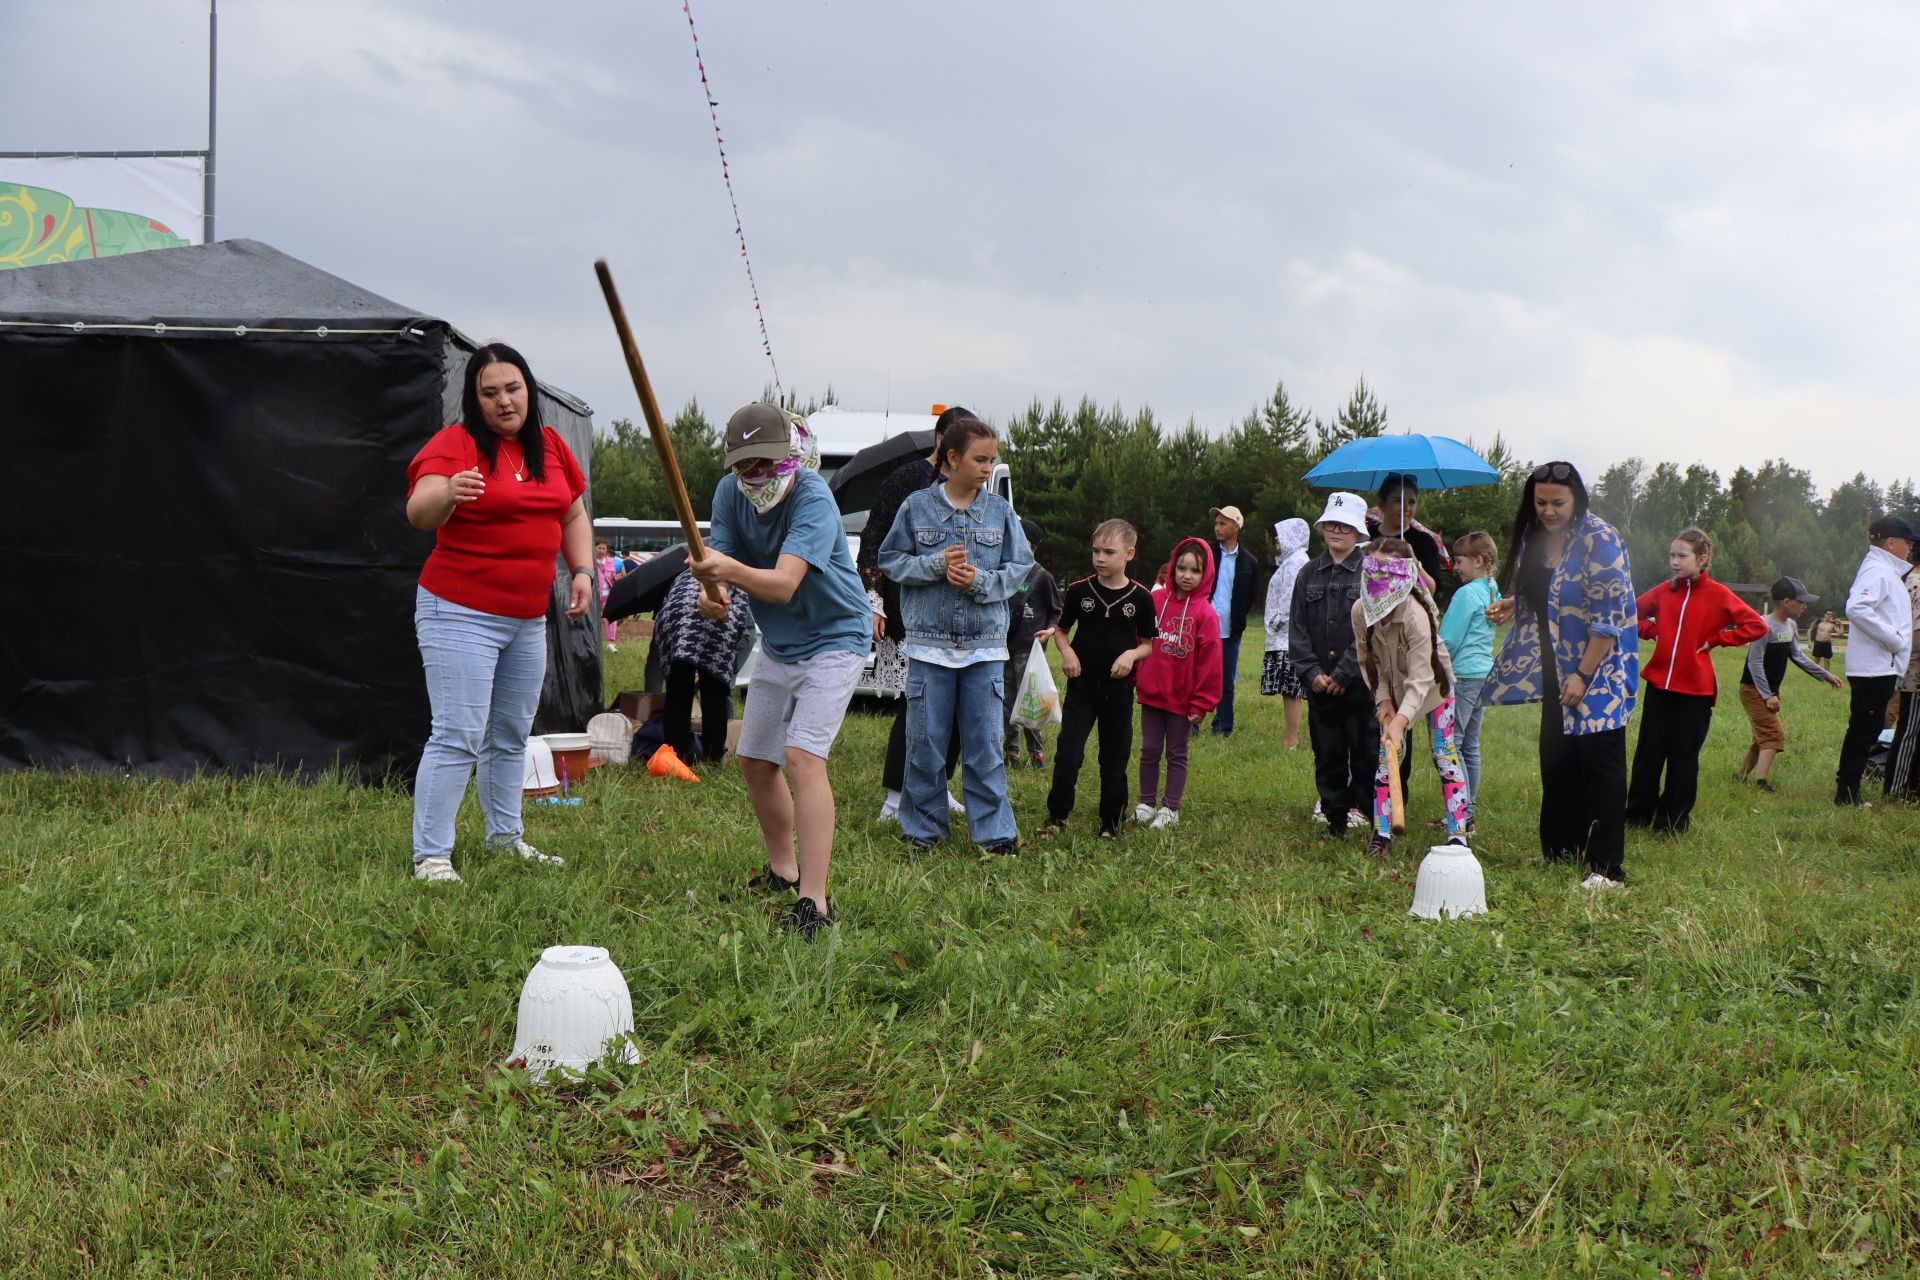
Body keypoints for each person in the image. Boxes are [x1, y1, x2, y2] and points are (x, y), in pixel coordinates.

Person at [403, 342, 590, 884]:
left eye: (513, 389)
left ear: (528, 390)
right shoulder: (455, 444)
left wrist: (580, 570)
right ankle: (432, 856)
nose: (504, 402)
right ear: (474, 398)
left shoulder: (551, 446)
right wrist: (450, 495)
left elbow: (573, 511)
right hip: (457, 611)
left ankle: (506, 840)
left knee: (510, 733)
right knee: (457, 732)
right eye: (490, 393)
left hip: (527, 618)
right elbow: (418, 511)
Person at [689, 403, 872, 939]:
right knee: (753, 759)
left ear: (789, 455)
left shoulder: (814, 496)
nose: (754, 477)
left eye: (765, 463)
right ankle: (782, 871)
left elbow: (785, 583)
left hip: (837, 636)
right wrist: (711, 596)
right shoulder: (729, 495)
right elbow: (717, 575)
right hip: (782, 641)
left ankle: (814, 901)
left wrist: (728, 573)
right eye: (743, 466)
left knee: (802, 756)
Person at [878, 419, 1033, 854]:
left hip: (985, 649)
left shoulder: (1001, 513)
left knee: (985, 747)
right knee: (925, 747)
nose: (988, 467)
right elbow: (890, 560)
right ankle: (923, 832)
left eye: (992, 460)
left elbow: (1020, 571)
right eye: (980, 459)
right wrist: (934, 566)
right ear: (952, 458)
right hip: (929, 649)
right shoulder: (915, 507)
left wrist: (980, 582)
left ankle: (996, 835)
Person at [1486, 461, 1637, 889]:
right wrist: (1515, 604)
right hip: (1556, 666)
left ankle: (1608, 868)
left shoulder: (1600, 539)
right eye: (1539, 502)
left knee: (1600, 764)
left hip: (1600, 668)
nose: (1548, 511)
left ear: (1577, 499)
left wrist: (1583, 676)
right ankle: (1560, 849)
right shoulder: (1537, 536)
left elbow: (1610, 619)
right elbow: (1545, 591)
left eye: (1557, 503)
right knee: (1556, 759)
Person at [860, 408, 969, 823]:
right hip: (909, 609)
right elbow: (875, 542)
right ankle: (895, 795)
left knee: (957, 705)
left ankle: (938, 785)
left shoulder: (969, 490)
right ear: (941, 440)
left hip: (957, 613)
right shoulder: (908, 480)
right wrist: (874, 599)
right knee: (917, 703)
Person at [1624, 528, 1766, 835]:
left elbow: (1757, 625)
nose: (1674, 562)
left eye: (1682, 556)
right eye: (1672, 555)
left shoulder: (1718, 595)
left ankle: (1671, 824)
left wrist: (1718, 638)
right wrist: (1653, 631)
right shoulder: (1664, 591)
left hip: (1696, 692)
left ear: (1702, 559)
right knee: (1648, 754)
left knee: (1683, 759)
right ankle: (1637, 816)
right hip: (1659, 686)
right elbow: (1629, 612)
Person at [1352, 537, 1471, 854]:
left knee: (1443, 754)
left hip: (1433, 691)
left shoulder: (1418, 616)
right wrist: (1384, 702)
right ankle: (1382, 833)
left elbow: (1421, 679)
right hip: (1391, 692)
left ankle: (1458, 833)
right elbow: (1369, 663)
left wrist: (1402, 720)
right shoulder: (1360, 612)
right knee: (1385, 759)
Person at [1040, 520, 1157, 838]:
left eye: (1109, 552)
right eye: (1095, 551)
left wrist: (1131, 655)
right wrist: (1066, 652)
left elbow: (1147, 644)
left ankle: (1111, 822)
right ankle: (1057, 817)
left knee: (1115, 756)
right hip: (1082, 685)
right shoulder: (1079, 591)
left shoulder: (1142, 598)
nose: (1100, 558)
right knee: (1069, 752)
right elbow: (1062, 631)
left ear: (1129, 554)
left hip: (1119, 689)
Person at [1290, 492, 1375, 837]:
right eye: (1331, 524)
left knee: (1365, 754)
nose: (1337, 531)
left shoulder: (1371, 572)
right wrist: (1312, 674)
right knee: (1328, 754)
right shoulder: (1307, 573)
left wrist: (1344, 672)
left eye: (1345, 525)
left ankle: (1370, 816)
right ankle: (1334, 818)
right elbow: (1297, 630)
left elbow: (1373, 630)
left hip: (1359, 686)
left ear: (1358, 533)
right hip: (1320, 687)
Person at [1136, 538, 1225, 830]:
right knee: (1149, 750)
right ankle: (1146, 803)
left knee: (1176, 752)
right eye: (1182, 568)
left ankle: (1170, 808)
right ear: (1172, 568)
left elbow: (1211, 664)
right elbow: (1140, 639)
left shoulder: (1205, 614)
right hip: (1151, 693)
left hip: (1182, 699)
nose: (1187, 575)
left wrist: (1202, 702)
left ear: (1206, 574)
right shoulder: (1156, 601)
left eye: (1195, 570)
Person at [1735, 576, 1845, 792]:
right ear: (1786, 602)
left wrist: (1825, 675)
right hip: (1753, 689)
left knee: (1761, 738)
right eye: (1801, 601)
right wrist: (1767, 695)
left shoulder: (1791, 625)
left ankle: (1739, 777)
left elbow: (1798, 656)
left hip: (1769, 691)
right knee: (1773, 735)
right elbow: (1754, 661)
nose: (1804, 605)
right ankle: (1761, 783)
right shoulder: (1763, 625)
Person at [1836, 515, 1916, 806]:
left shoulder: (1884, 571)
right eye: (1908, 542)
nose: (1910, 548)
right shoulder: (1878, 571)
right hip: (1873, 667)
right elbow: (1857, 607)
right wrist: (1894, 640)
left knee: (1865, 729)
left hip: (1879, 665)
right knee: (1863, 730)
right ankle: (1847, 793)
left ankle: (1849, 788)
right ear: (1891, 542)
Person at [651, 567, 752, 764]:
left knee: (678, 690)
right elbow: (742, 630)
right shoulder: (736, 568)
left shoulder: (684, 574)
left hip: (678, 619)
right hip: (718, 615)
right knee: (715, 689)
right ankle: (713, 758)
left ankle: (674, 757)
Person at [1438, 531, 1500, 825]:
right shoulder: (1492, 589)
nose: (1455, 566)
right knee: (1470, 745)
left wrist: (1430, 661)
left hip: (1462, 676)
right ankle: (1469, 812)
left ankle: (1461, 814)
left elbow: (1448, 640)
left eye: (1459, 560)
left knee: (1452, 742)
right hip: (1483, 675)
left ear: (1478, 561)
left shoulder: (1465, 594)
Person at [1003, 519, 1062, 768]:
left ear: (1031, 545)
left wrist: (1049, 630)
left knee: (1030, 701)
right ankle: (1010, 751)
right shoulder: (1005, 570)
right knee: (1006, 701)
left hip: (1030, 648)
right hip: (1004, 647)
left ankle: (1036, 752)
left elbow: (1056, 611)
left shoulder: (1043, 576)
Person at [1205, 504, 1262, 736]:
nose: (1217, 528)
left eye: (1222, 523)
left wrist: (1237, 617)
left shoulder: (1250, 562)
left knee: (1226, 681)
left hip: (1230, 630)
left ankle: (1223, 726)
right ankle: (1190, 724)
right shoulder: (1206, 552)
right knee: (1194, 677)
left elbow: (1250, 596)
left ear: (1236, 526)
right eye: (1216, 523)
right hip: (1201, 627)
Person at [1260, 518, 1311, 749]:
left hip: (1287, 638)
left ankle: (1291, 740)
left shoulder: (1295, 564)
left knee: (1291, 690)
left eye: (1280, 536)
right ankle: (1291, 737)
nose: (1276, 542)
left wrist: (1274, 621)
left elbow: (1290, 602)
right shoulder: (1291, 562)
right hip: (1284, 637)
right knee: (1288, 690)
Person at [1367, 474, 1449, 594]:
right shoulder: (1367, 536)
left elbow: (1431, 590)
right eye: (1398, 501)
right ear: (1382, 504)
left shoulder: (1424, 541)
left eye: (1412, 502)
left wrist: (1413, 560)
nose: (1406, 508)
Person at [1886, 540, 1920, 801]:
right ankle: (1896, 791)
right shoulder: (1917, 584)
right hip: (1916, 673)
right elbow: (1915, 636)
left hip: (1909, 669)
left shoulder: (1906, 581)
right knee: (1909, 731)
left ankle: (1911, 788)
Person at [595, 539, 622, 650]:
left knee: (611, 617)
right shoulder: (590, 561)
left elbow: (613, 576)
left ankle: (611, 643)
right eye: (599, 548)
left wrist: (615, 578)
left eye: (603, 548)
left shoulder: (611, 561)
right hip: (594, 596)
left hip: (608, 595)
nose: (601, 550)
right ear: (594, 548)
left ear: (606, 550)